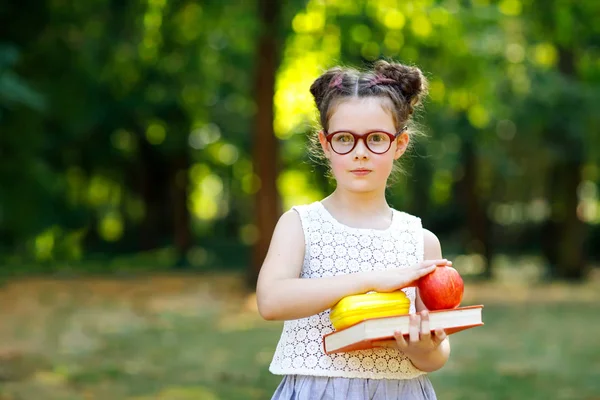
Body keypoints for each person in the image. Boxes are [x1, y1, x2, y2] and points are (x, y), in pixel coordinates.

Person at [256, 60, 452, 400]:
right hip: (318, 391)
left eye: (376, 138)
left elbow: (438, 352)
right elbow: (271, 301)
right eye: (345, 139)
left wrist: (422, 349)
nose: (360, 153)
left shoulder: (421, 241)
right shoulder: (300, 225)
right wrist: (371, 281)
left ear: (399, 144)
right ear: (326, 143)